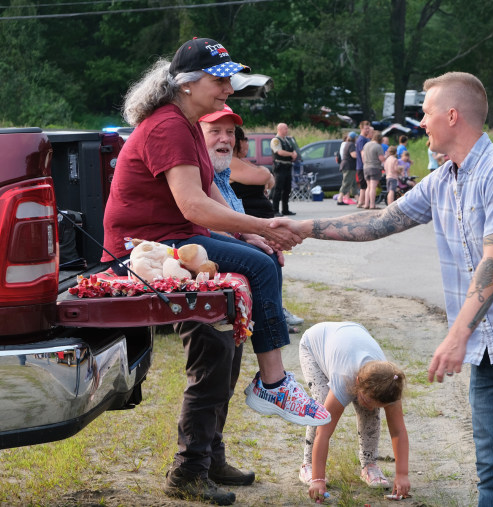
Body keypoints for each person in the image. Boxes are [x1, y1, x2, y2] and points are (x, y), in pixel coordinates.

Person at [273, 71, 493, 506]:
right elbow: (379, 221)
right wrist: (303, 227)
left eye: (426, 112)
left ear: (452, 115)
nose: (421, 122)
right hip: (490, 355)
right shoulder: (442, 180)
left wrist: (457, 336)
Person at [101, 37, 330, 505]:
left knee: (225, 337)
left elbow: (209, 201)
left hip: (176, 238)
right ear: (186, 84)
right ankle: (266, 392)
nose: (228, 87)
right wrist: (263, 226)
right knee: (247, 289)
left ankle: (207, 455)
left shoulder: (185, 123)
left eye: (230, 79)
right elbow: (194, 206)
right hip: (147, 249)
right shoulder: (167, 125)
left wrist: (248, 234)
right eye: (218, 79)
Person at [201, 107, 304, 332]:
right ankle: (271, 328)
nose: (226, 138)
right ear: (197, 135)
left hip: (238, 231)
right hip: (200, 242)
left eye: (231, 132)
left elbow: (234, 215)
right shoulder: (202, 170)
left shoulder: (222, 172)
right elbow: (203, 221)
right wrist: (250, 235)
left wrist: (252, 235)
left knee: (268, 253)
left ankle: (273, 316)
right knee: (263, 261)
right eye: (215, 131)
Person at [297, 322, 410, 502]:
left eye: (378, 405)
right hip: (314, 345)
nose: (372, 406)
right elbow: (323, 432)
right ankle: (308, 465)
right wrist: (318, 479)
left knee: (369, 414)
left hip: (351, 337)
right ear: (357, 381)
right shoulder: (344, 379)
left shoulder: (391, 385)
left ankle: (368, 465)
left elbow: (398, 432)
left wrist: (402, 474)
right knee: (321, 407)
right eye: (367, 400)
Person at [270, 123, 299, 216]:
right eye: (285, 128)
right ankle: (275, 210)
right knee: (278, 189)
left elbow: (292, 149)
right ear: (280, 129)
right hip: (280, 167)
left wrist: (294, 153)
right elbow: (279, 152)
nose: (287, 130)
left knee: (287, 189)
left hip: (288, 167)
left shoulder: (287, 140)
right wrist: (291, 154)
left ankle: (285, 210)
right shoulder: (276, 140)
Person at [361, 132, 385, 209]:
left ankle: (366, 204)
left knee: (368, 187)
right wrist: (386, 156)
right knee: (373, 187)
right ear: (380, 139)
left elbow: (363, 157)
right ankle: (372, 205)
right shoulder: (378, 146)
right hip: (375, 168)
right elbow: (381, 158)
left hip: (366, 167)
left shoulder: (366, 145)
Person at [336, 131, 358, 206]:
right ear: (354, 138)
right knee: (346, 182)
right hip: (349, 166)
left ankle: (358, 199)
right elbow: (354, 155)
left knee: (353, 184)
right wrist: (361, 154)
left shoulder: (347, 144)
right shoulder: (351, 145)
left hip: (347, 166)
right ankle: (340, 199)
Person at [355, 121, 372, 208]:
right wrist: (366, 164)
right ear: (361, 129)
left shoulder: (364, 139)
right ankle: (363, 202)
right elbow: (362, 153)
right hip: (362, 166)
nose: (367, 130)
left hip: (361, 166)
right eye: (366, 128)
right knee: (364, 185)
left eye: (368, 128)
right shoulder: (361, 139)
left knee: (363, 186)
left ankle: (360, 202)